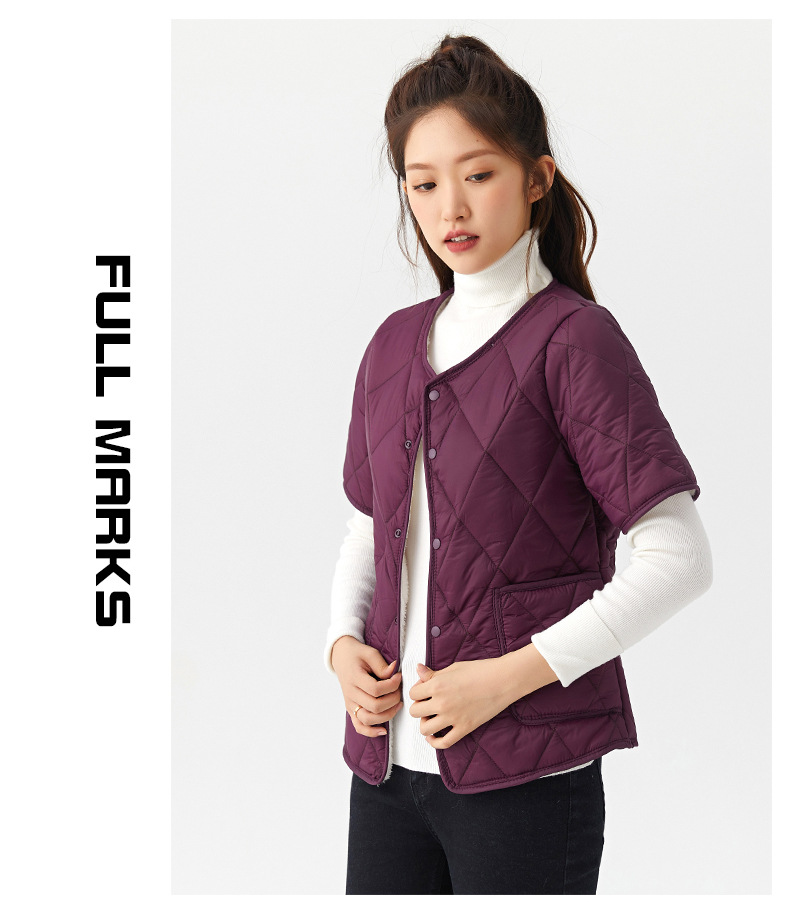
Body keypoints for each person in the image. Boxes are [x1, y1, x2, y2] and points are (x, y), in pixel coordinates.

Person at [324, 33, 713, 895]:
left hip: (528, 784)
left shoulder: (575, 341)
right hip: (386, 777)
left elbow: (681, 558)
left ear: (537, 178)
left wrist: (503, 682)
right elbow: (369, 526)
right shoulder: (392, 345)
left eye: (479, 174)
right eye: (424, 184)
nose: (451, 208)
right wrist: (340, 645)